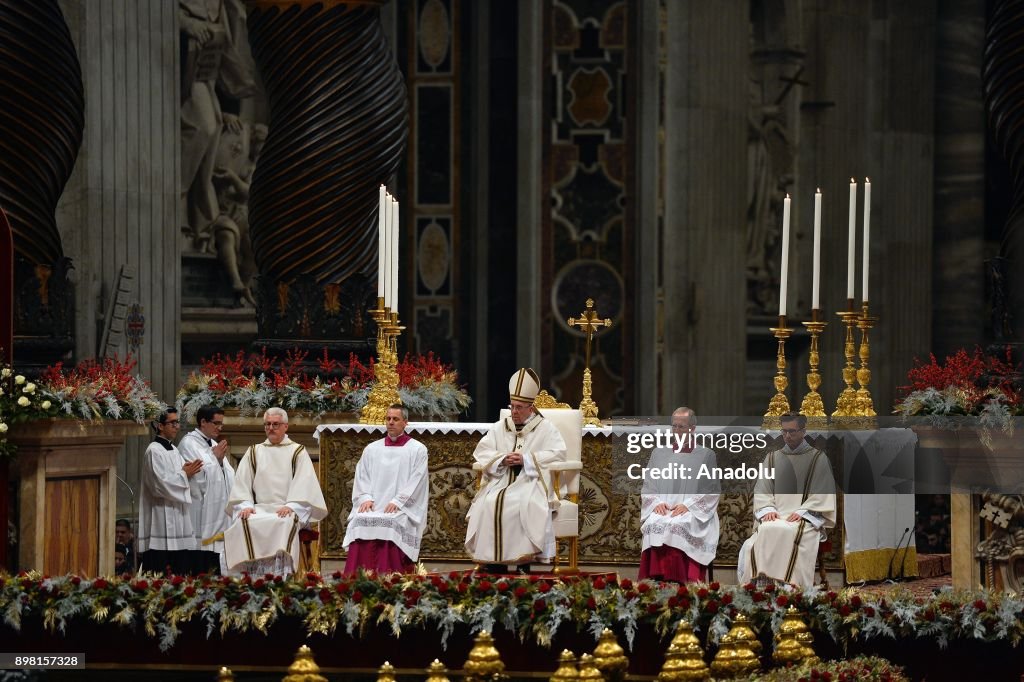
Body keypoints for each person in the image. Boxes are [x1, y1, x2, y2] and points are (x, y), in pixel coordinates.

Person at [465, 368, 566, 573]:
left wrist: (526, 459)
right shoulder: (500, 426)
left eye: (520, 408)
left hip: (531, 482)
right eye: (512, 407)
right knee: (489, 502)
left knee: (521, 503)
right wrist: (502, 459)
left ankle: (522, 562)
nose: (514, 412)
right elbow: (482, 451)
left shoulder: (546, 428)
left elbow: (558, 454)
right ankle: (494, 565)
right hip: (501, 480)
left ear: (531, 408)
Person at [224, 407, 328, 576]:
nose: (271, 428)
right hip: (259, 509)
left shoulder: (297, 451)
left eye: (275, 424)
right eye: (267, 424)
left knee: (284, 522)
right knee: (243, 521)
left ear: (285, 426)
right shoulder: (254, 451)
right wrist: (246, 505)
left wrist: (292, 506)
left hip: (286, 509)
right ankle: (249, 577)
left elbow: (305, 485)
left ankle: (281, 577)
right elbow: (242, 484)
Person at [737, 413, 836, 588]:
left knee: (789, 532)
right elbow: (762, 489)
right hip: (776, 514)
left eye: (792, 431)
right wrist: (767, 509)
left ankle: (790, 587)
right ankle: (763, 586)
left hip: (803, 517)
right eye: (784, 432)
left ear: (803, 431)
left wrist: (802, 512)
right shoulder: (773, 458)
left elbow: (823, 493)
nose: (787, 436)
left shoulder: (818, 459)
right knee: (767, 528)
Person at [342, 404, 429, 574]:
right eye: (388, 419)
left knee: (392, 523)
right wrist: (365, 498)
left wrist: (399, 501)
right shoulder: (372, 449)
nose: (390, 422)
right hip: (374, 505)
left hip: (401, 508)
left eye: (395, 419)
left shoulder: (417, 449)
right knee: (358, 520)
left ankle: (391, 576)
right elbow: (362, 476)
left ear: (405, 422)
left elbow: (417, 481)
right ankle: (357, 576)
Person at [638, 408, 720, 582]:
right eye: (674, 426)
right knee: (655, 521)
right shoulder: (659, 453)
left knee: (680, 524)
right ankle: (655, 581)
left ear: (692, 428)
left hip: (692, 511)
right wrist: (655, 503)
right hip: (665, 507)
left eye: (681, 427)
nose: (677, 431)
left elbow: (711, 489)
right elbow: (649, 484)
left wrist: (688, 505)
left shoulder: (706, 455)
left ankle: (684, 581)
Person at [137, 408, 202, 575]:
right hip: (160, 517)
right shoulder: (153, 450)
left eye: (177, 422)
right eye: (172, 423)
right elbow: (159, 485)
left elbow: (184, 478)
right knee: (160, 570)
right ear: (160, 426)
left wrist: (188, 474)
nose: (177, 426)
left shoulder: (174, 450)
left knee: (181, 569)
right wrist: (184, 474)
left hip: (178, 517)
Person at [178, 404, 234, 574]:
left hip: (218, 514)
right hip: (199, 513)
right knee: (201, 562)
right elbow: (198, 479)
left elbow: (228, 474)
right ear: (203, 422)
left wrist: (217, 462)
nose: (220, 427)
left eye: (221, 424)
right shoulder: (188, 443)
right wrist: (215, 458)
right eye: (216, 423)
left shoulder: (213, 443)